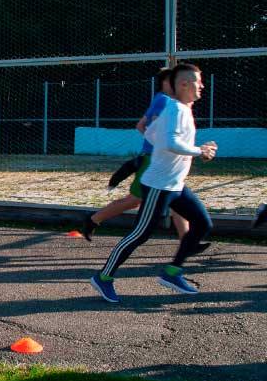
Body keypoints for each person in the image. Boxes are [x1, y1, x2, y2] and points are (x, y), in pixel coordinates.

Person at [90, 63, 217, 303]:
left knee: (202, 223)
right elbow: (170, 142)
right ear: (183, 84)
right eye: (198, 81)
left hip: (175, 184)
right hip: (159, 185)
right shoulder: (177, 110)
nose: (202, 85)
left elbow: (149, 133)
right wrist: (199, 150)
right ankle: (103, 277)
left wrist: (178, 151)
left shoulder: (181, 108)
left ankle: (172, 273)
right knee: (139, 234)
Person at [82, 68, 190, 241]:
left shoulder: (163, 100)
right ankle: (94, 219)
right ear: (166, 83)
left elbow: (141, 125)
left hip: (161, 161)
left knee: (177, 199)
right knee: (135, 200)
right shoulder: (164, 101)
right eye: (176, 81)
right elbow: (150, 126)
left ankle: (187, 241)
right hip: (153, 161)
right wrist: (161, 148)